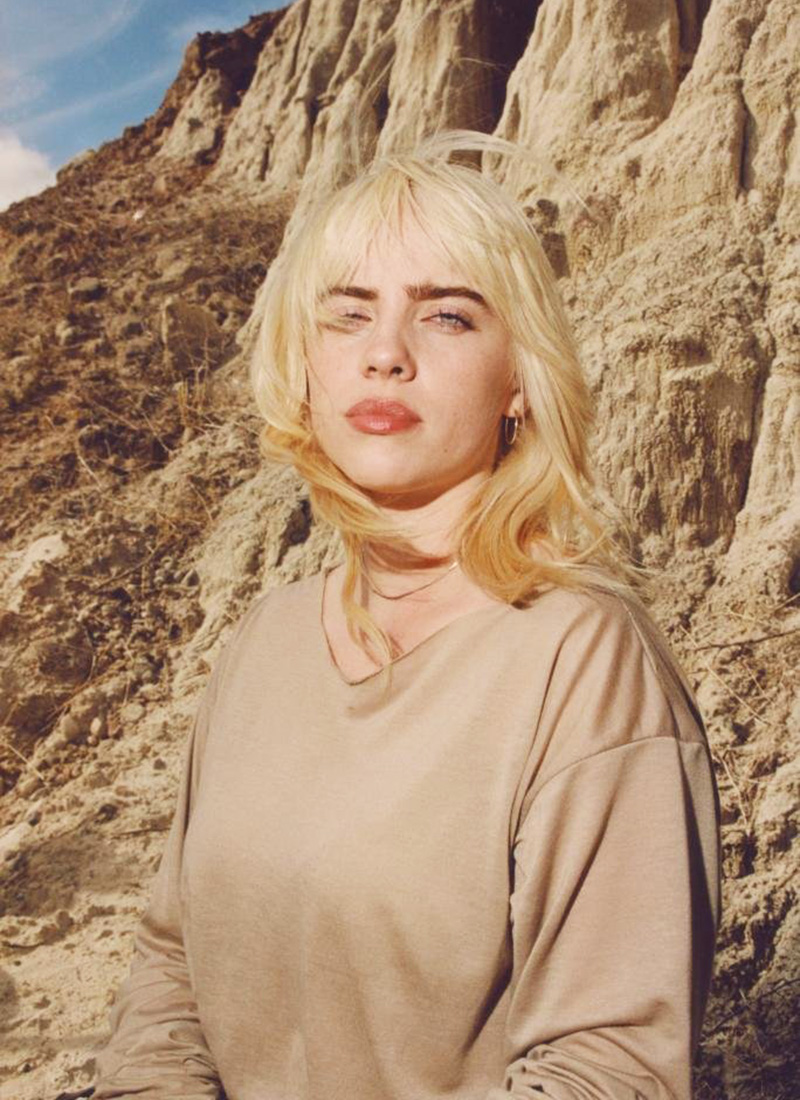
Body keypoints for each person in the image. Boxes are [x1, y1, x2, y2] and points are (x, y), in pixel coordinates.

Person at [87, 129, 721, 1100]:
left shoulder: (583, 663)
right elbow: (170, 968)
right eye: (348, 316)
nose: (385, 354)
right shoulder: (264, 639)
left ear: (519, 381)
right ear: (306, 367)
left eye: (448, 316)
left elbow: (608, 1069)